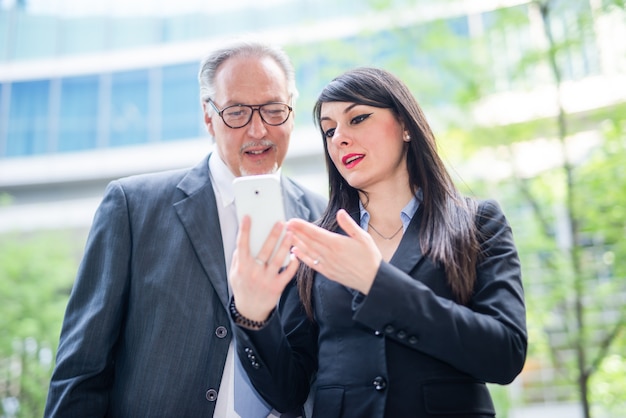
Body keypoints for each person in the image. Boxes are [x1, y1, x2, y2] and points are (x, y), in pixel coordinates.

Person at [44, 39, 326, 417]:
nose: (258, 130)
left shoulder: (321, 220)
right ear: (208, 116)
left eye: (274, 110)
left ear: (291, 112)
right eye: (237, 112)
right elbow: (81, 372)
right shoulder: (133, 207)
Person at [228, 67, 527, 417]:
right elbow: (288, 393)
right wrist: (252, 317)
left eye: (358, 118)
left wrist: (378, 283)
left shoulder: (478, 223)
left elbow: (505, 356)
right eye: (329, 129)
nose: (339, 137)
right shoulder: (316, 245)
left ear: (404, 126)